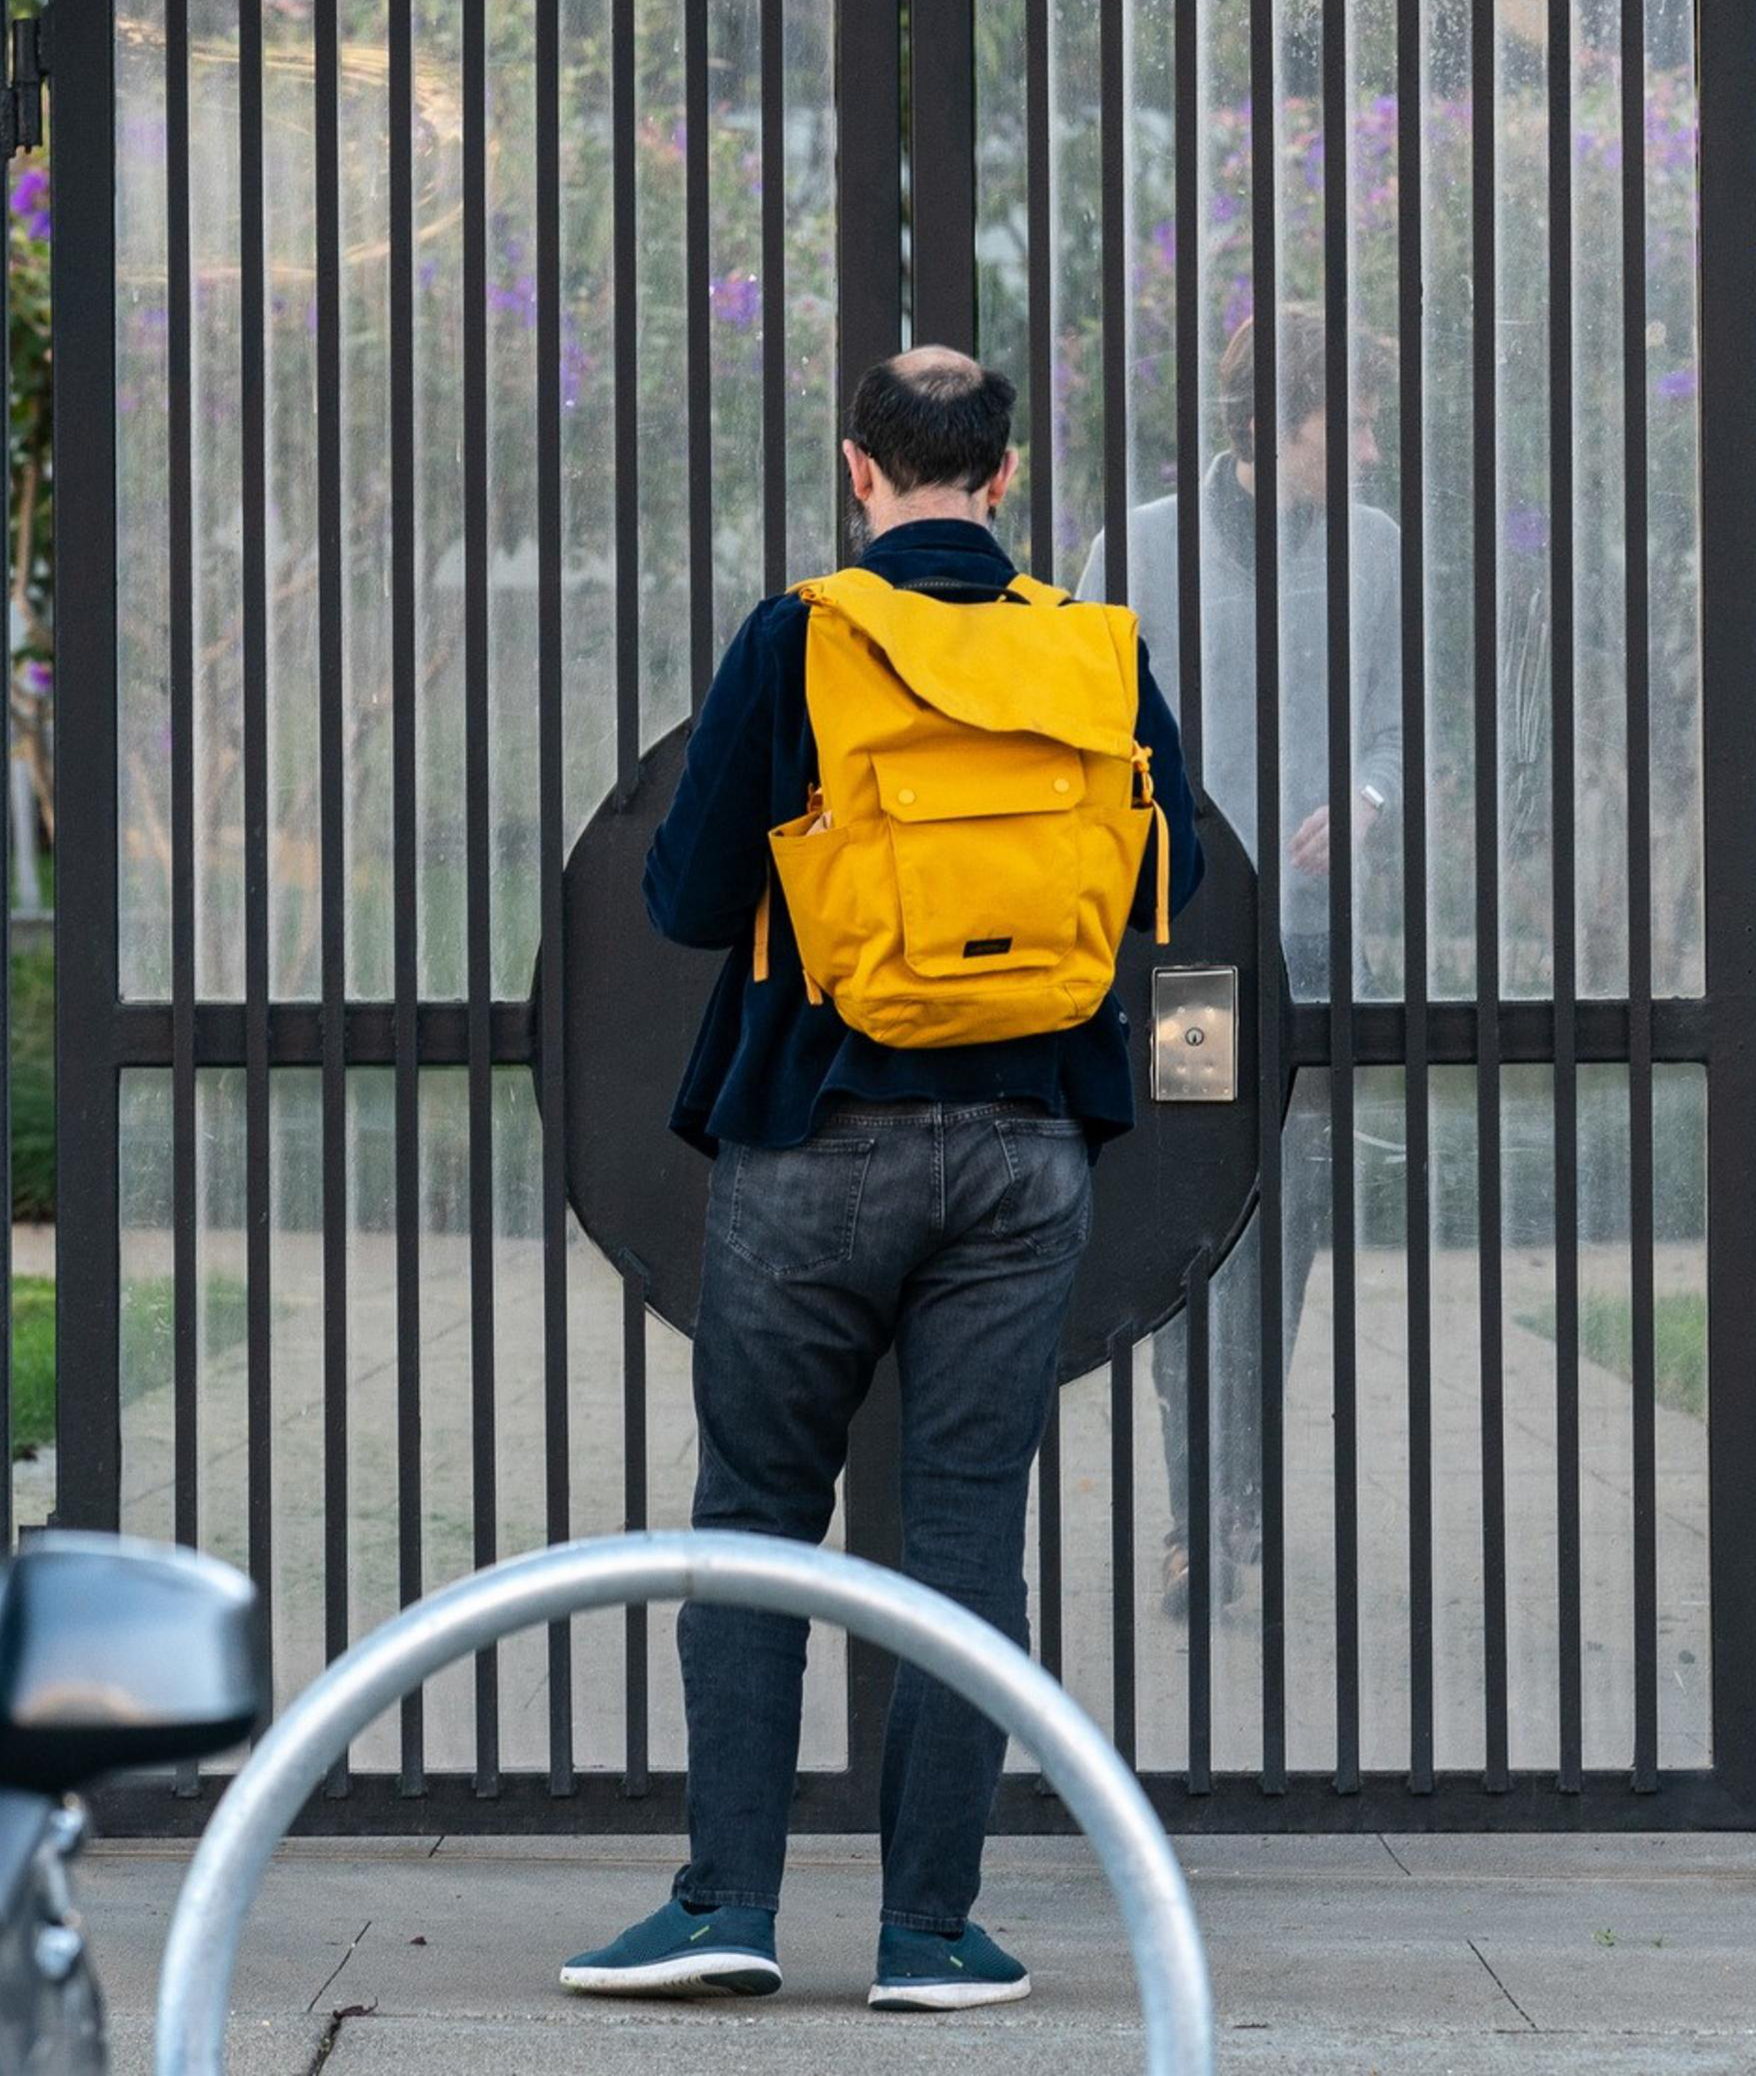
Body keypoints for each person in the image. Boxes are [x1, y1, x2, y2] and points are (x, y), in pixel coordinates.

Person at [561, 347, 1200, 2014]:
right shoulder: (1091, 646)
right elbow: (1172, 873)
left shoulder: (801, 636)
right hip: (1027, 1145)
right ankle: (930, 1932)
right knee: (968, 1532)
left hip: (815, 1137)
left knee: (760, 1521)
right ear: (1003, 479)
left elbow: (690, 898)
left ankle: (725, 1909)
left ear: (860, 473)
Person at [1077, 308, 1403, 1610]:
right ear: (1274, 426)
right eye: (1354, 424)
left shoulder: (1373, 553)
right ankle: (1193, 1520)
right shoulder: (1135, 552)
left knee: (1295, 1228)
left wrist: (1372, 798)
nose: (1372, 448)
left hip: (1319, 953)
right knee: (1191, 1226)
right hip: (1186, 963)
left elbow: (1395, 725)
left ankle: (1238, 1499)